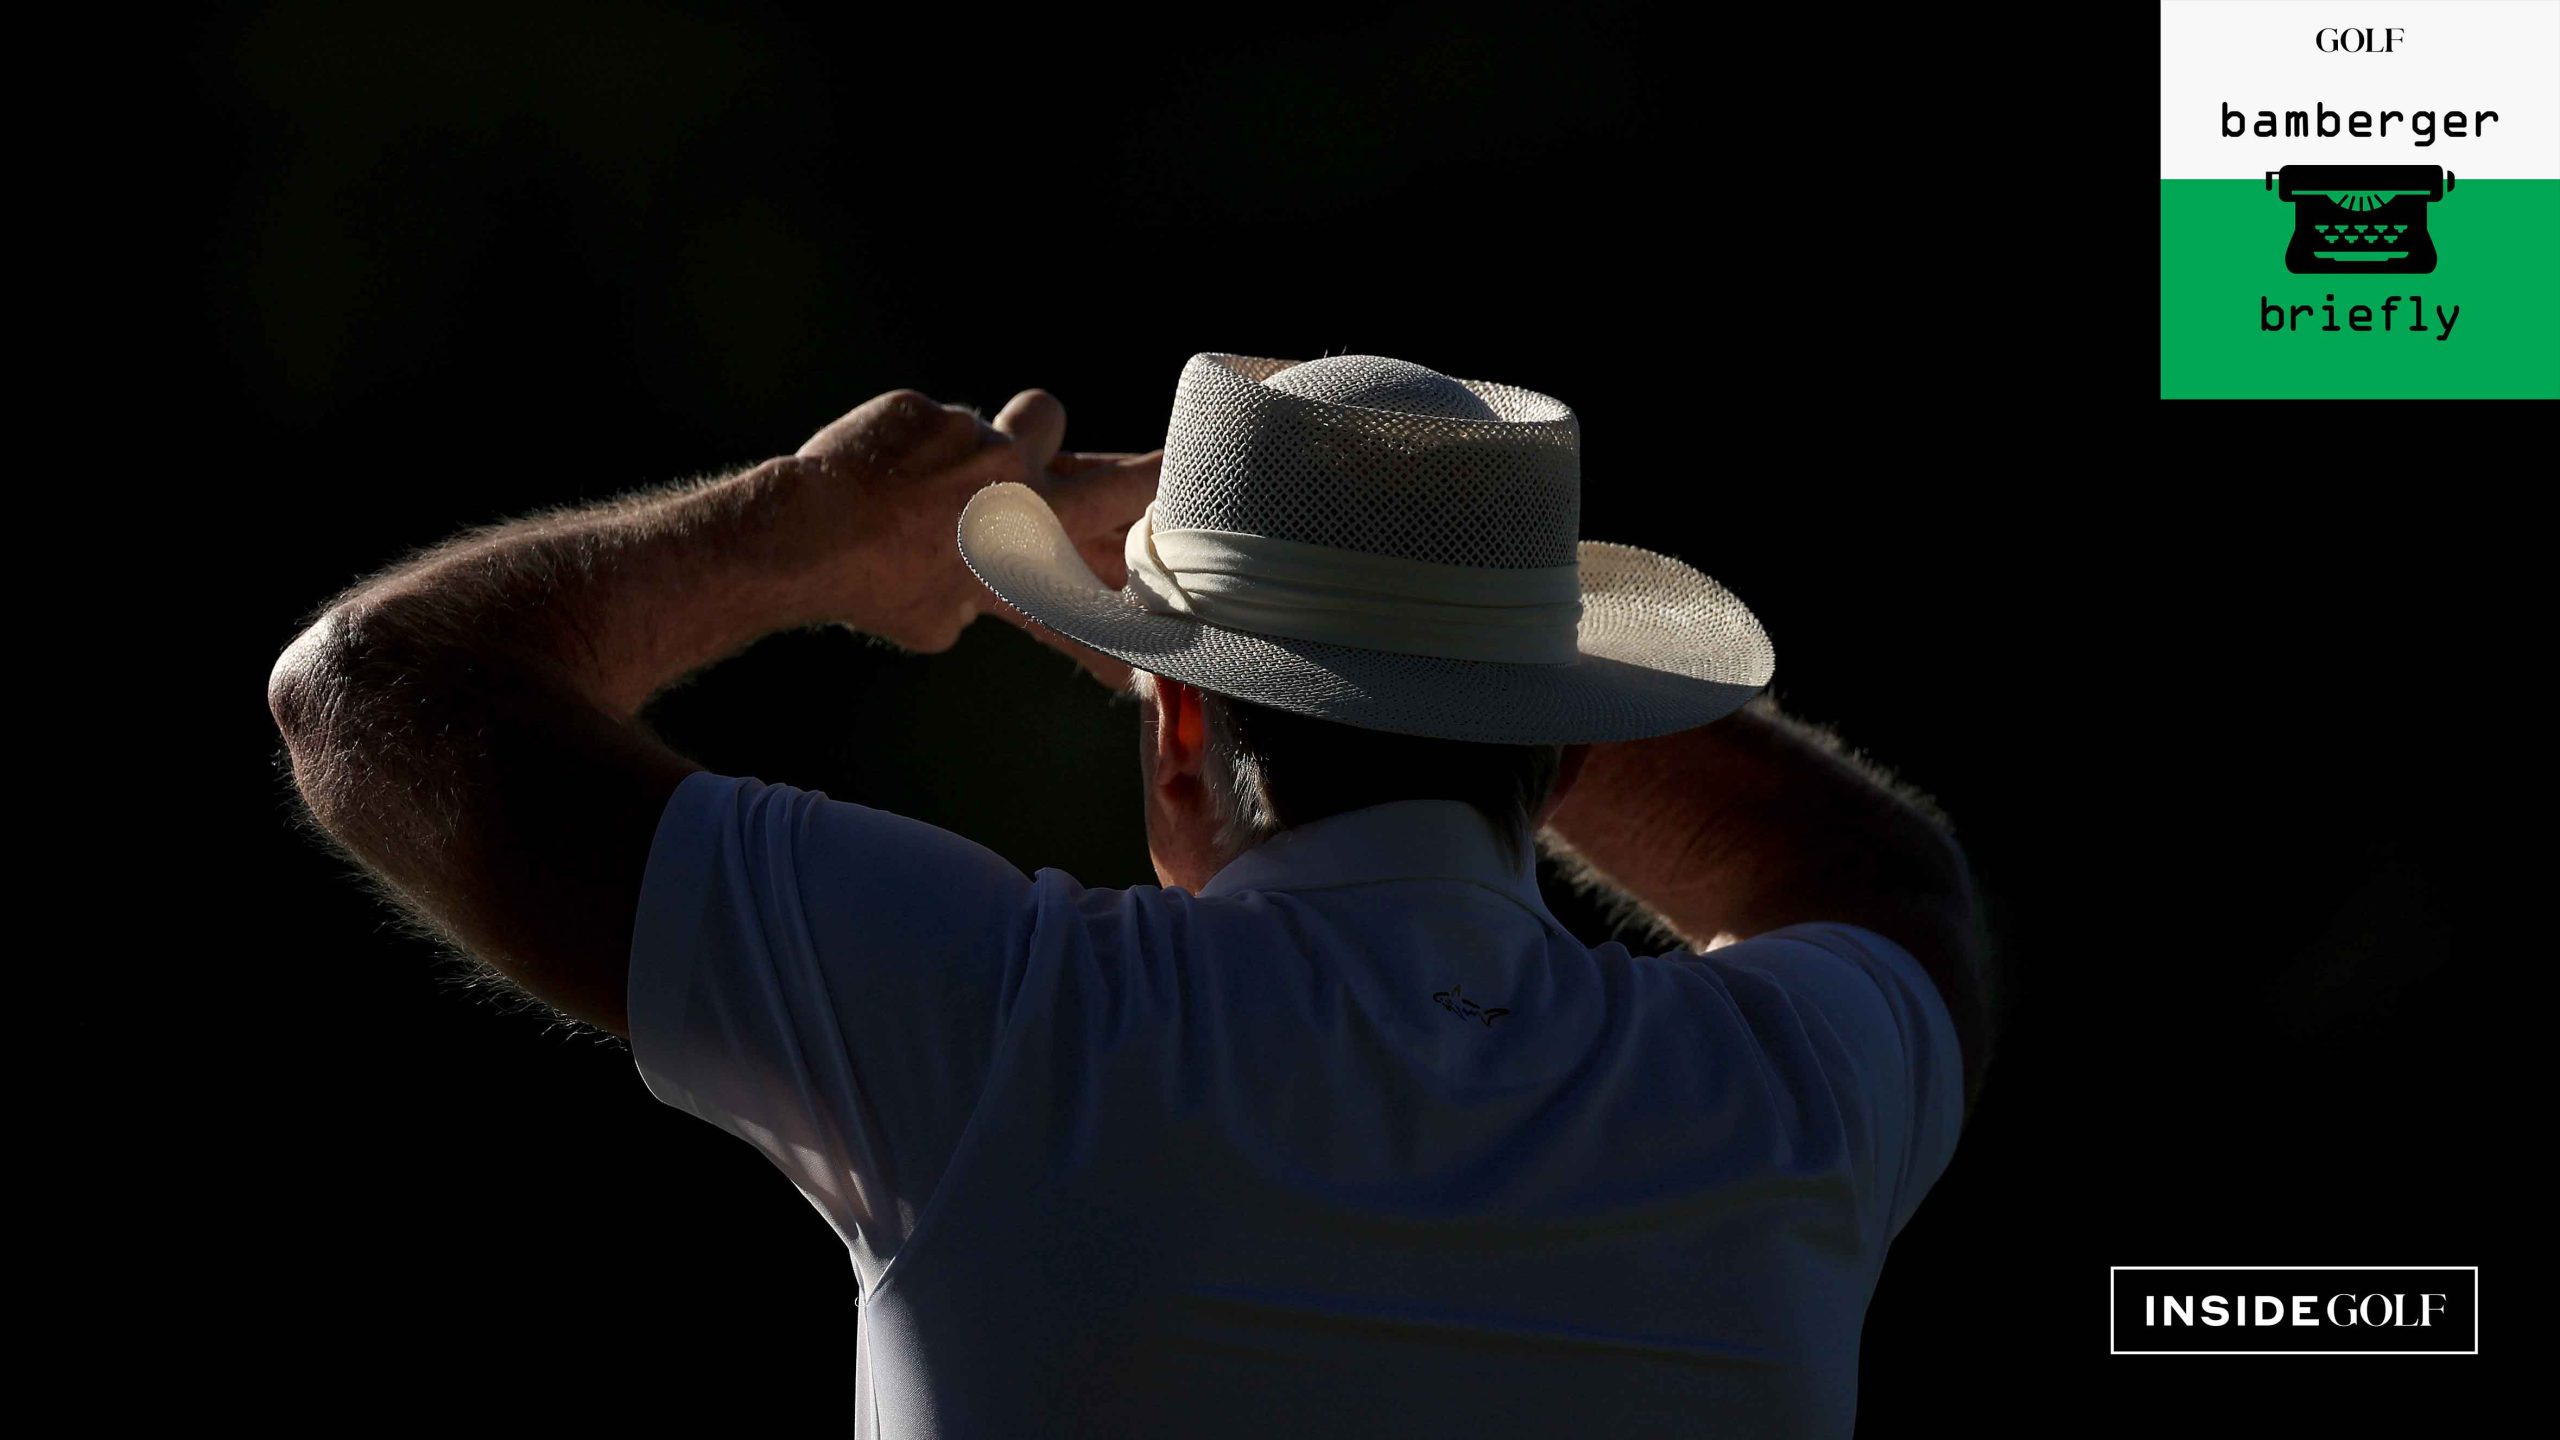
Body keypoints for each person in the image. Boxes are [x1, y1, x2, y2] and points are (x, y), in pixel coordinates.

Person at [268, 352, 1997, 1439]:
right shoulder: (1789, 1096)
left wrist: (804, 531)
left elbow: (375, 692)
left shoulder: (1008, 1027)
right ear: (1558, 747)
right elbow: (1875, 874)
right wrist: (1451, 652)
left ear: (1172, 724)